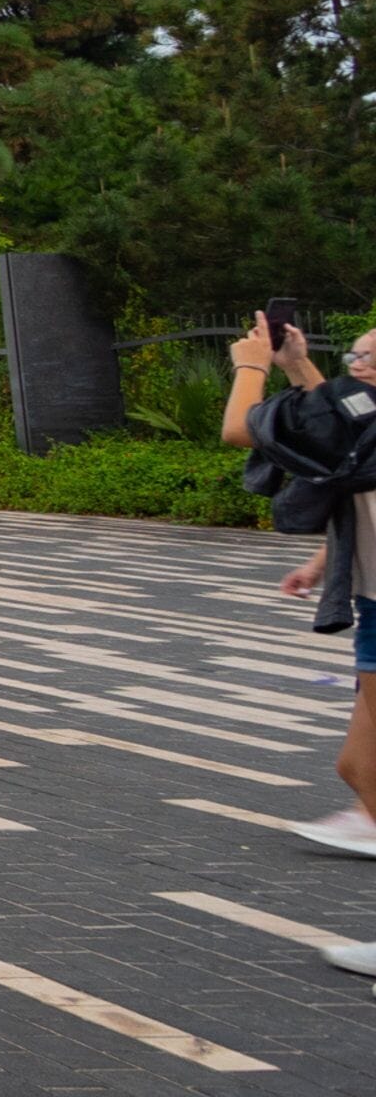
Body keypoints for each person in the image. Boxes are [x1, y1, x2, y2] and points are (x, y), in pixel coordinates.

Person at [218, 313, 376, 868]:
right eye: (352, 357)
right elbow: (337, 419)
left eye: (366, 360)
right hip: (372, 601)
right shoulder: (363, 422)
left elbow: (241, 429)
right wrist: (298, 364)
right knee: (358, 768)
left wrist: (252, 365)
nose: (353, 368)